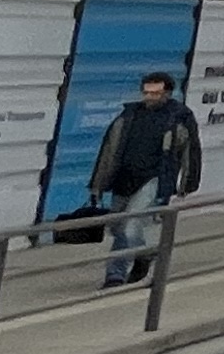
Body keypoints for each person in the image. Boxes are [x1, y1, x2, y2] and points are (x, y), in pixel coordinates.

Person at [86, 70, 201, 289]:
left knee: (131, 226)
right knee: (117, 228)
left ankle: (118, 273)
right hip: (123, 178)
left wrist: (187, 183)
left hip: (154, 179)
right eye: (146, 93)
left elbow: (191, 151)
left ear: (168, 93)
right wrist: (97, 184)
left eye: (155, 93)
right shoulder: (128, 115)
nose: (149, 97)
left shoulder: (179, 117)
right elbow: (108, 151)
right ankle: (140, 257)